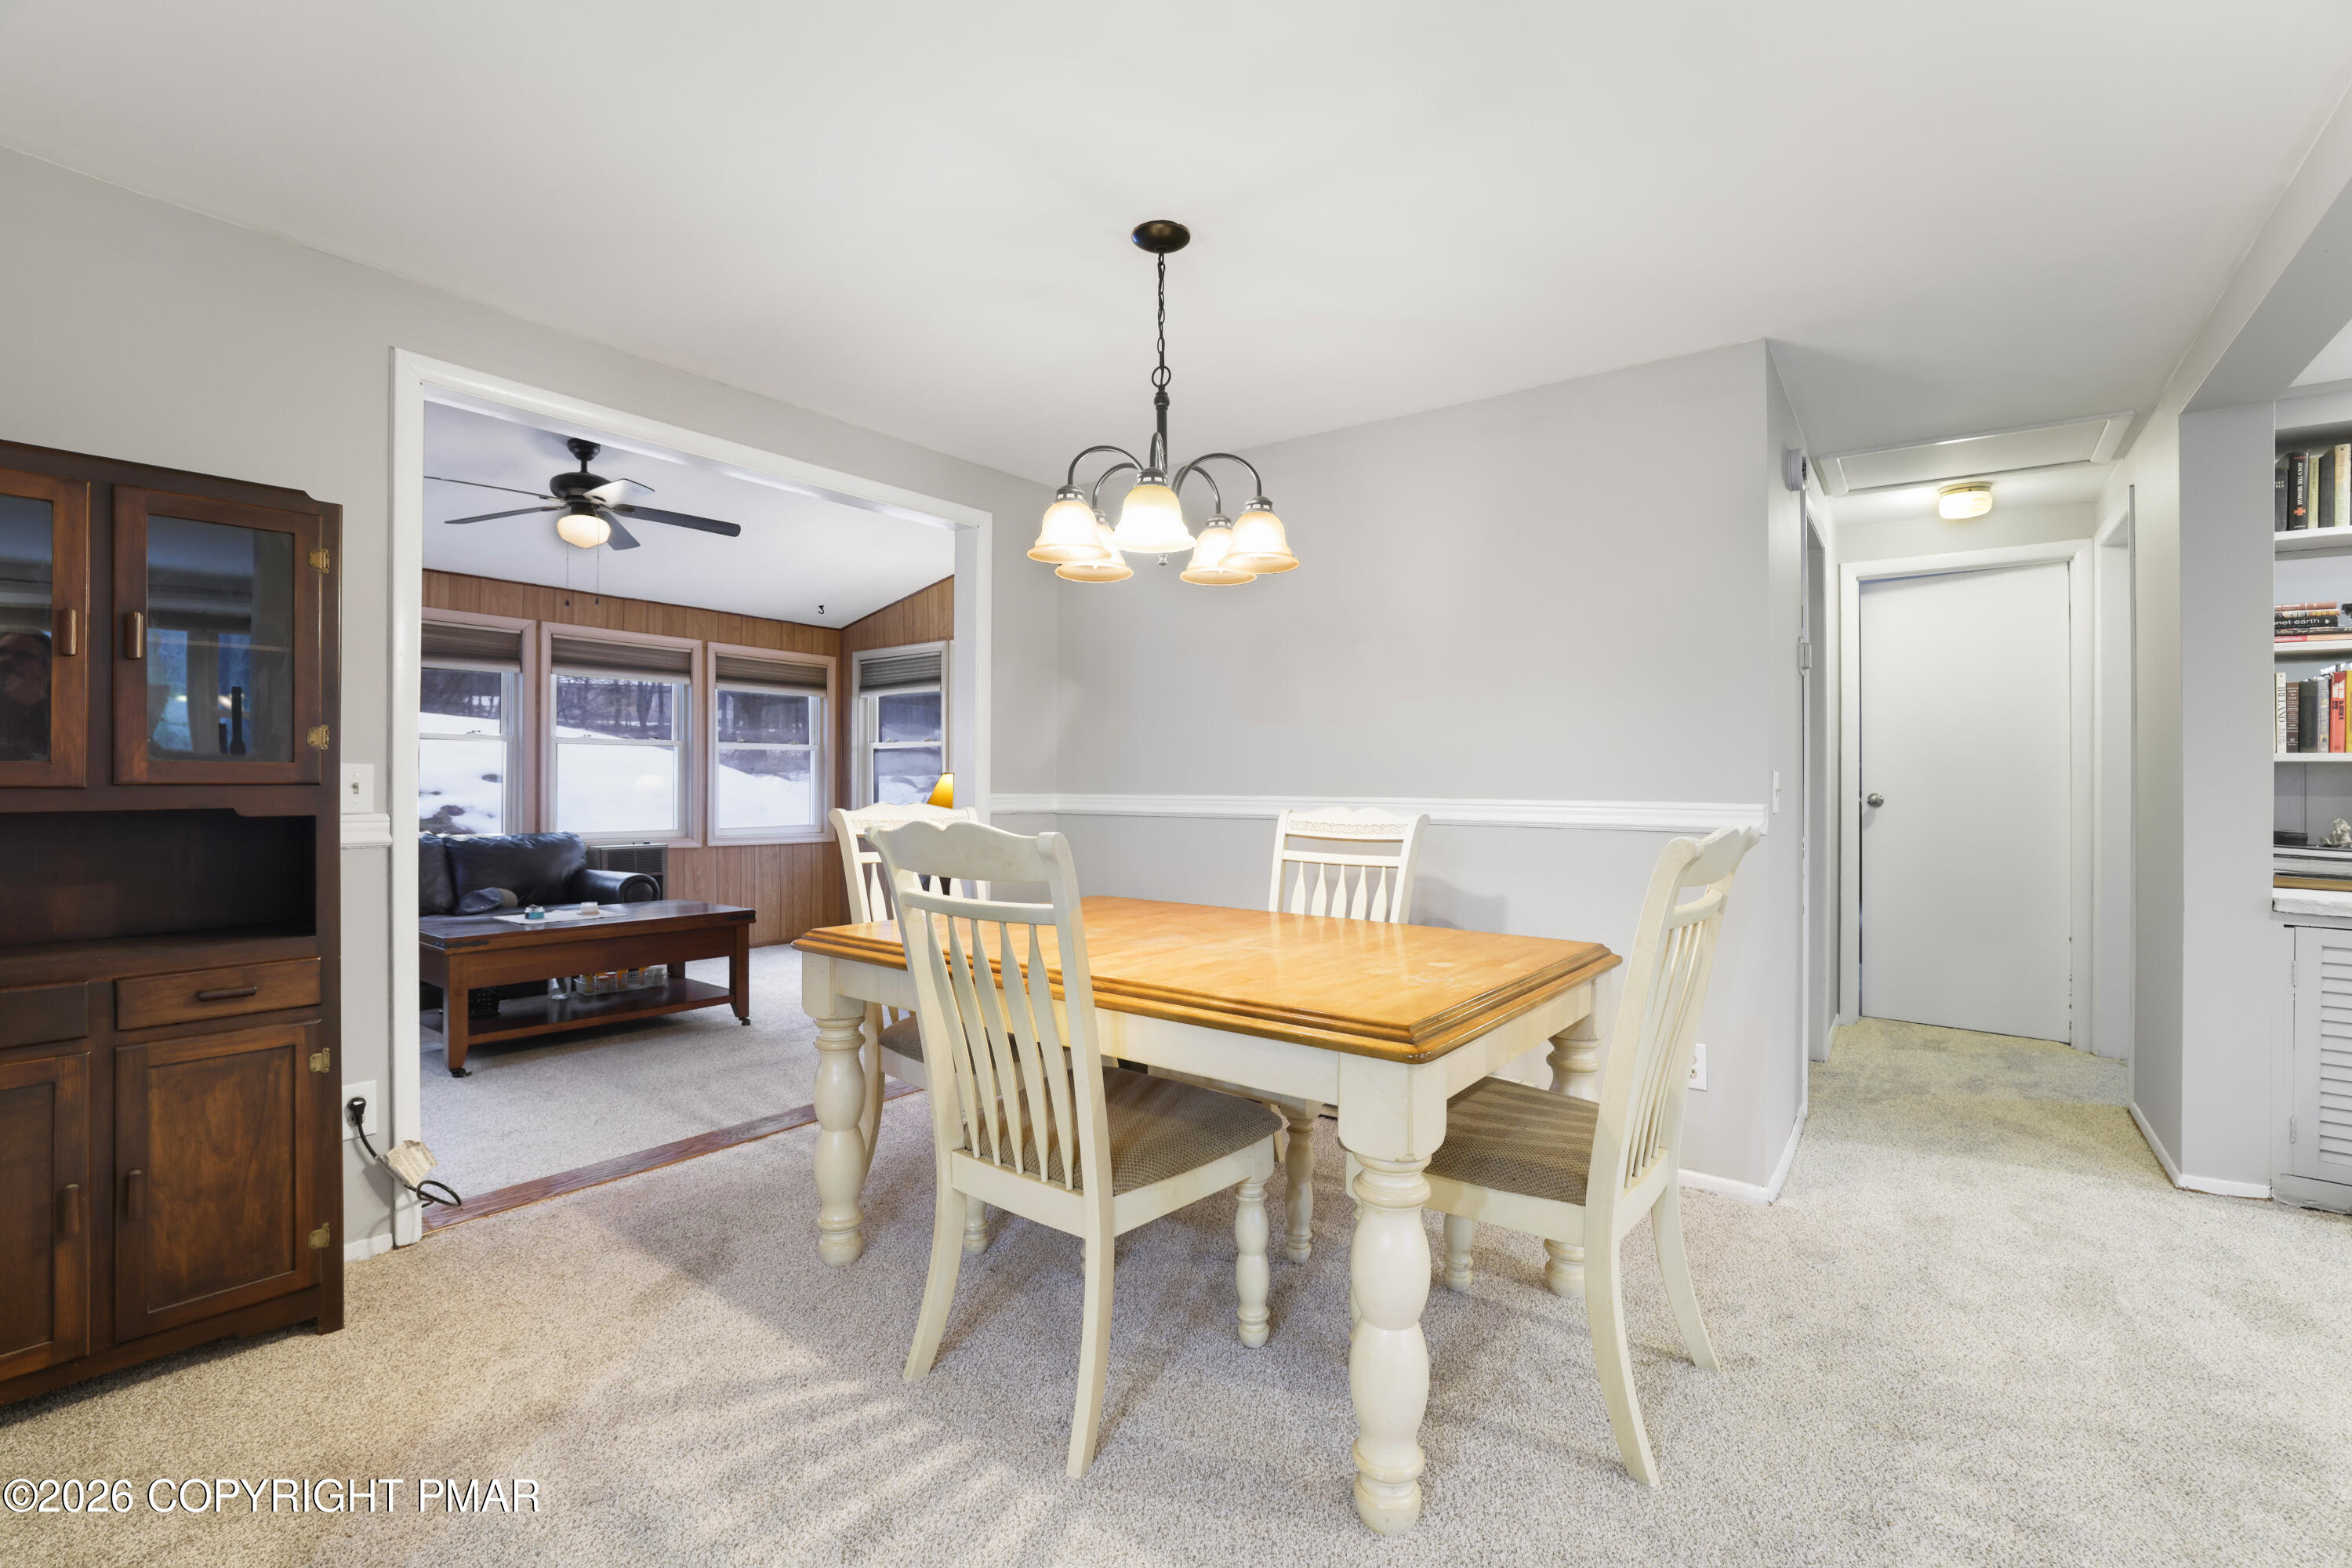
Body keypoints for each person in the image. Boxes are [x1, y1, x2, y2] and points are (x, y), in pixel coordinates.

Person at [0, 627, 50, 761]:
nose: (5, 660)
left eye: (22, 656)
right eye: (2, 653)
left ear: (44, 669)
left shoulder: (57, 718)